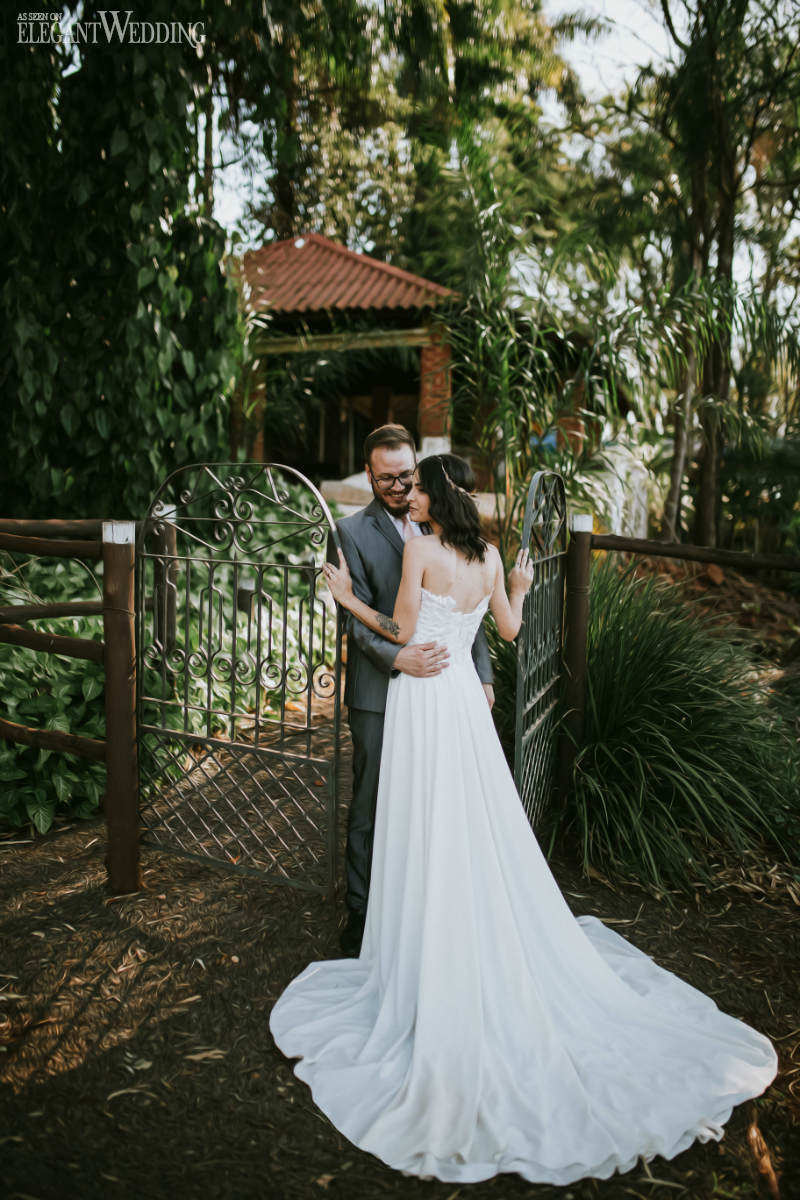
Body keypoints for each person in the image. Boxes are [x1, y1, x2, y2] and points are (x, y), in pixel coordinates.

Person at [270, 454, 777, 1186]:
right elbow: (506, 635)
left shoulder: (418, 550)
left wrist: (347, 599)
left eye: (416, 490)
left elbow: (401, 628)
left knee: (424, 822)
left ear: (433, 499)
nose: (408, 499)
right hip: (464, 715)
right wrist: (516, 588)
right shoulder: (490, 555)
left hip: (424, 703)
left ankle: (426, 944)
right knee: (469, 824)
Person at [332, 426, 493, 956]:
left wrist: (484, 677)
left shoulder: (451, 531)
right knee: (373, 801)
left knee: (432, 803)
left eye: (407, 475)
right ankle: (362, 911)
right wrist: (395, 655)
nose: (400, 487)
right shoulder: (352, 531)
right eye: (387, 478)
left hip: (444, 694)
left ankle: (425, 911)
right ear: (368, 473)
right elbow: (350, 616)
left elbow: (470, 613)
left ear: (419, 468)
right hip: (380, 689)